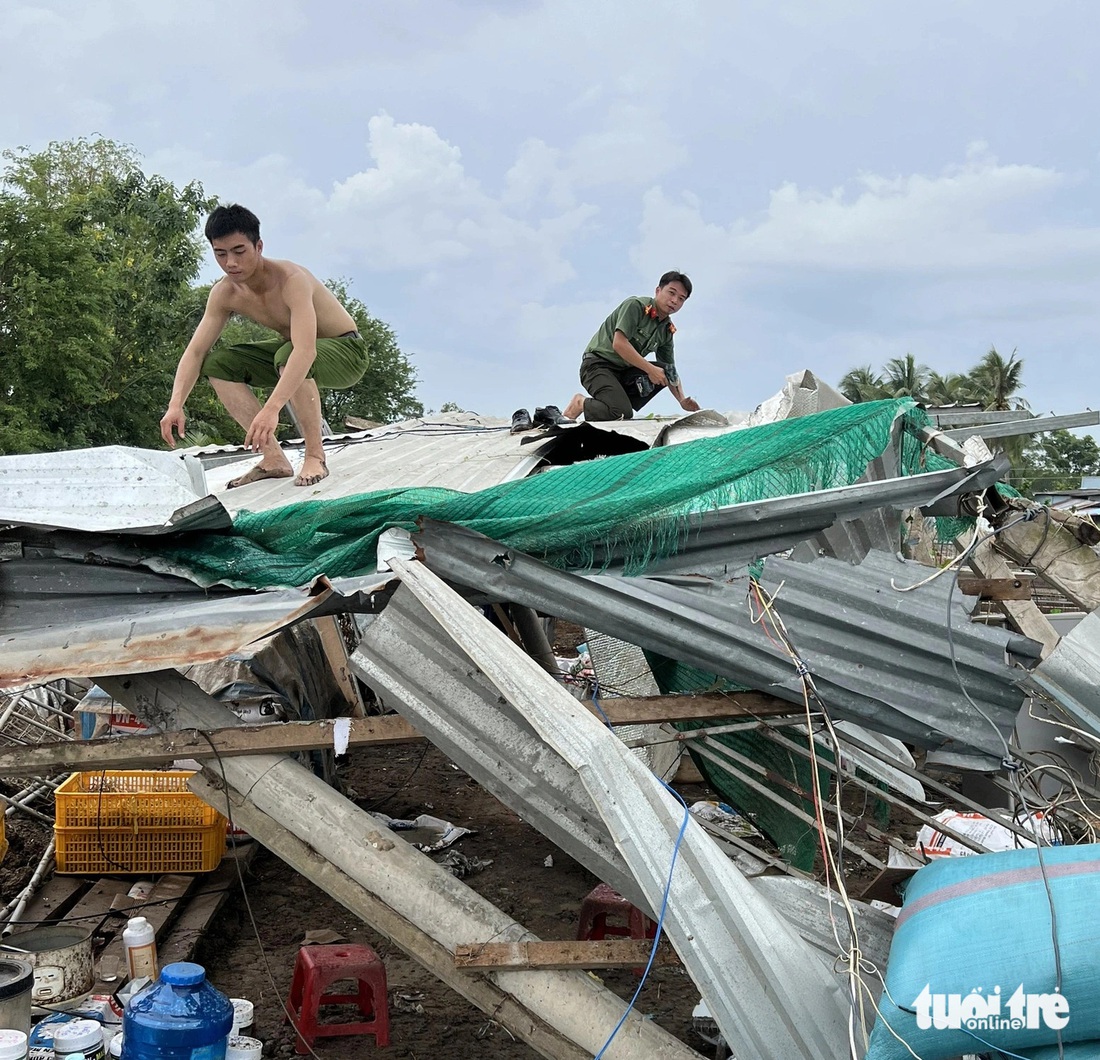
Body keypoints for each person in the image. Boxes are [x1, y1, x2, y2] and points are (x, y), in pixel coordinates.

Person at [160, 204, 370, 487]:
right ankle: (273, 458)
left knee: (290, 353)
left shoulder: (291, 280)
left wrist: (271, 409)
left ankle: (315, 456)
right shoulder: (225, 293)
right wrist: (175, 405)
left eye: (239, 251)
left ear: (258, 246)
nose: (230, 263)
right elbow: (195, 352)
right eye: (220, 254)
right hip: (291, 355)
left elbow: (305, 350)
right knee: (218, 363)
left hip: (346, 352)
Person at [562, 271, 701, 422]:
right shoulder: (636, 306)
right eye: (671, 293)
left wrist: (682, 400)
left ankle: (614, 401)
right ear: (658, 290)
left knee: (665, 370)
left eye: (681, 299)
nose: (674, 301)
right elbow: (619, 344)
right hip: (597, 365)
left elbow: (670, 369)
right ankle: (580, 403)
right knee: (621, 413)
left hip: (623, 372)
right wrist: (650, 369)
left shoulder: (666, 330)